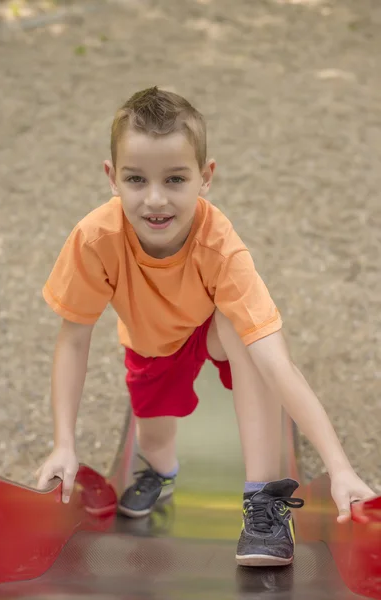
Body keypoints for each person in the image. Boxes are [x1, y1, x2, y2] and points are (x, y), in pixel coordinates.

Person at [36, 86, 374, 567]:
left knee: (248, 337)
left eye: (175, 179)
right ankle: (161, 472)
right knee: (155, 442)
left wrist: (340, 468)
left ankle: (264, 499)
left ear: (205, 177)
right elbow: (73, 340)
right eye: (137, 179)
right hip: (151, 345)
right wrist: (63, 444)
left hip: (212, 330)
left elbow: (278, 363)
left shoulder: (221, 247)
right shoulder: (96, 239)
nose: (155, 199)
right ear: (112, 178)